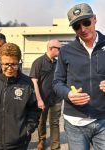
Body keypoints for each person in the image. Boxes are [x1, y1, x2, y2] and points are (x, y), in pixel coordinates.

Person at [53, 3, 105, 150]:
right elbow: (57, 82)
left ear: (94, 19)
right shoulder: (66, 51)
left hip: (103, 120)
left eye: (86, 22)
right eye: (77, 26)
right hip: (75, 123)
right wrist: (68, 94)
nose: (83, 29)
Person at [0, 43, 40, 150]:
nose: (10, 68)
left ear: (19, 62)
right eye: (6, 64)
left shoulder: (27, 83)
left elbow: (34, 109)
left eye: (14, 64)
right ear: (0, 61)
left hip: (19, 143)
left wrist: (28, 129)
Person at [29, 40, 62, 150]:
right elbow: (34, 82)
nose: (60, 50)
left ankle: (55, 146)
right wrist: (39, 99)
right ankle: (42, 140)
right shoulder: (38, 62)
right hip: (42, 99)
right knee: (41, 122)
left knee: (55, 122)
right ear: (50, 48)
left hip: (56, 99)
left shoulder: (58, 63)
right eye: (59, 48)